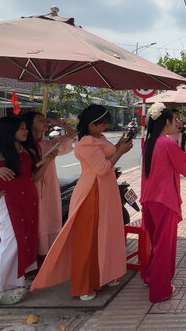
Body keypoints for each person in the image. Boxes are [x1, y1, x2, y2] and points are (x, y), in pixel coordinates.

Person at [31, 104, 133, 301]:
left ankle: (104, 275)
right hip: (91, 193)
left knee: (105, 235)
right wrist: (121, 152)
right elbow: (102, 168)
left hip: (105, 191)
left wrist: (120, 145)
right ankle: (83, 285)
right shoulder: (85, 143)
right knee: (87, 240)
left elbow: (108, 156)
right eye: (102, 123)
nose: (105, 126)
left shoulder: (98, 138)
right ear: (92, 124)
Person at [0, 116, 55, 305]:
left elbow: (33, 178)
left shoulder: (24, 152)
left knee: (25, 241)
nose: (25, 131)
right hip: (12, 205)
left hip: (29, 202)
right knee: (11, 244)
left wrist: (47, 161)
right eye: (22, 128)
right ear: (9, 131)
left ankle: (18, 279)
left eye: (25, 127)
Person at [141, 102, 186, 302]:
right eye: (174, 120)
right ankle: (160, 290)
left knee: (157, 243)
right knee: (164, 246)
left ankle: (151, 276)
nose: (176, 123)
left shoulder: (149, 143)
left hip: (150, 200)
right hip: (164, 201)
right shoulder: (168, 143)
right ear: (167, 121)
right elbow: (185, 169)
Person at [21, 112, 77, 262]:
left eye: (44, 119)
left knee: (50, 217)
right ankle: (35, 257)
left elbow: (73, 134)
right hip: (33, 188)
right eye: (39, 120)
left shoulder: (49, 144)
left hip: (50, 187)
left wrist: (58, 122)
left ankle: (49, 255)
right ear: (30, 124)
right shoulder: (24, 147)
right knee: (37, 220)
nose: (44, 122)